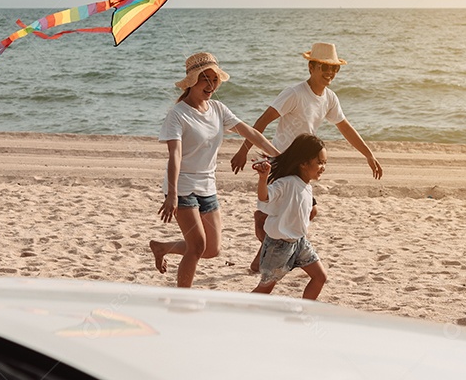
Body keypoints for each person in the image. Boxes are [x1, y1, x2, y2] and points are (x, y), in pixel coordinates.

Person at [229, 42, 382, 271]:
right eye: (324, 67)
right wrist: (243, 150)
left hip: (303, 166)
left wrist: (368, 154)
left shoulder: (329, 98)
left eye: (334, 69)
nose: (330, 73)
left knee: (310, 210)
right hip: (279, 161)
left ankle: (262, 257)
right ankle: (265, 252)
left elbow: (345, 126)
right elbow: (262, 121)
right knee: (265, 216)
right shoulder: (294, 94)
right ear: (311, 67)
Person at [148, 52, 281, 288]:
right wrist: (171, 194)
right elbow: (174, 155)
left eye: (214, 79)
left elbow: (250, 132)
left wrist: (279, 156)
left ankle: (162, 247)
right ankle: (182, 299)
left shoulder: (218, 109)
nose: (210, 85)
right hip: (183, 186)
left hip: (207, 185)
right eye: (204, 79)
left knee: (212, 249)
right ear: (191, 81)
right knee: (197, 246)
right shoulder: (177, 115)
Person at [251, 133, 328, 300]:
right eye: (320, 162)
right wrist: (263, 178)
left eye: (325, 163)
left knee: (320, 277)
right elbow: (264, 197)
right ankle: (241, 310)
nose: (323, 167)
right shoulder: (286, 183)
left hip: (300, 242)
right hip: (279, 246)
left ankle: (304, 311)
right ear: (303, 163)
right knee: (265, 288)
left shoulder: (306, 185)